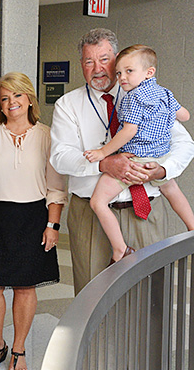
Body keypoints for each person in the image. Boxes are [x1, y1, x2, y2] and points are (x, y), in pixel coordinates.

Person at [50, 28, 194, 295]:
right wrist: (102, 164)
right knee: (91, 298)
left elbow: (184, 144)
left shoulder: (150, 97)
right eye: (89, 61)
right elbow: (60, 157)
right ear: (81, 64)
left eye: (104, 59)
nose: (98, 69)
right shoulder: (67, 105)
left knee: (151, 295)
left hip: (144, 210)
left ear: (117, 59)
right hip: (91, 216)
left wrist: (162, 170)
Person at [0, 72, 66, 370]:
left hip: (32, 218)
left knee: (25, 287)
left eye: (17, 95)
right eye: (4, 98)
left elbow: (56, 186)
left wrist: (52, 225)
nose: (11, 102)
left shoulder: (48, 135)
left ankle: (19, 349)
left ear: (29, 99)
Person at [83, 45, 194, 265]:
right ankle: (192, 227)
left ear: (149, 72)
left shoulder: (133, 98)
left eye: (129, 71)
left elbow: (129, 131)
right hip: (160, 158)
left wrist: (103, 152)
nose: (122, 78)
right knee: (173, 191)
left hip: (136, 159)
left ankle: (120, 249)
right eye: (119, 73)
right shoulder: (165, 93)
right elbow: (185, 115)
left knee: (98, 202)